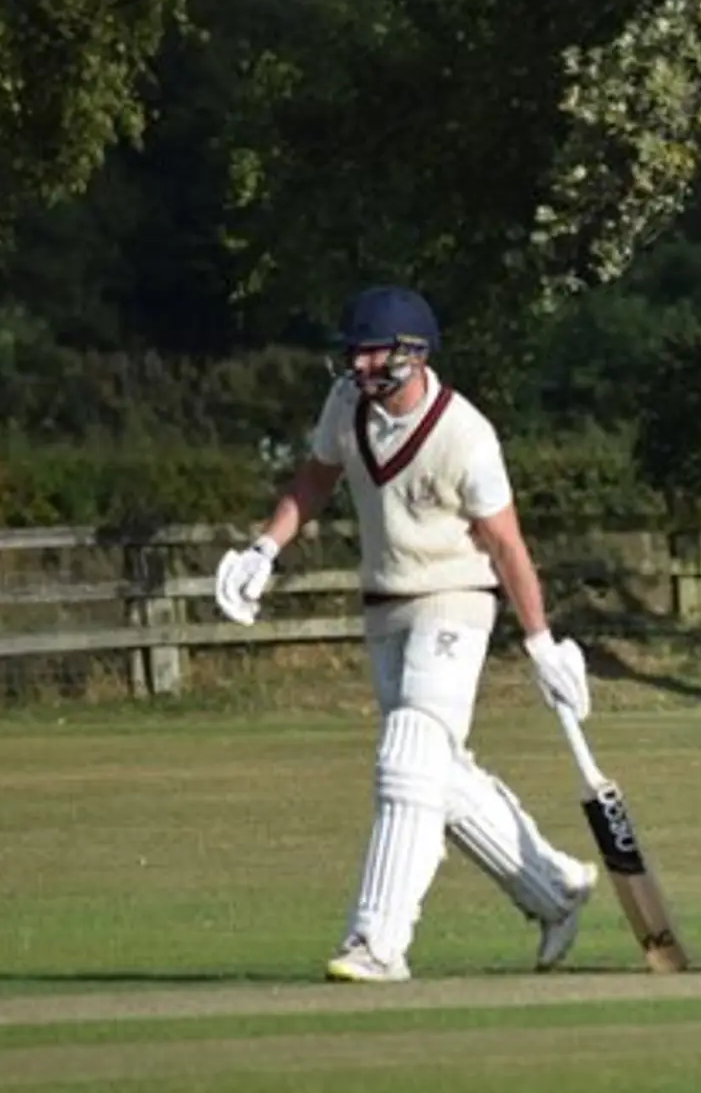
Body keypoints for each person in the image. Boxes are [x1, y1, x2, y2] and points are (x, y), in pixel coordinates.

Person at [213, 284, 600, 983]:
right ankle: (554, 889)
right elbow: (316, 478)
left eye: (370, 354)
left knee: (405, 757)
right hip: (385, 605)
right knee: (431, 772)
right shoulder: (346, 407)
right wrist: (264, 549)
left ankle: (377, 941)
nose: (358, 367)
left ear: (411, 354)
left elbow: (506, 545)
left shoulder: (466, 435)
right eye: (354, 354)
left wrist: (541, 642)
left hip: (455, 597)